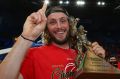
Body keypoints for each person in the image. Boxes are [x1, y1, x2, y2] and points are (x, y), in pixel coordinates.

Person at [0, 2, 105, 79]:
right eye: (52, 22)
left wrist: (100, 63)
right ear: (46, 29)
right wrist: (27, 36)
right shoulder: (34, 55)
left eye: (63, 21)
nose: (59, 26)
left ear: (70, 25)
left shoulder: (81, 56)